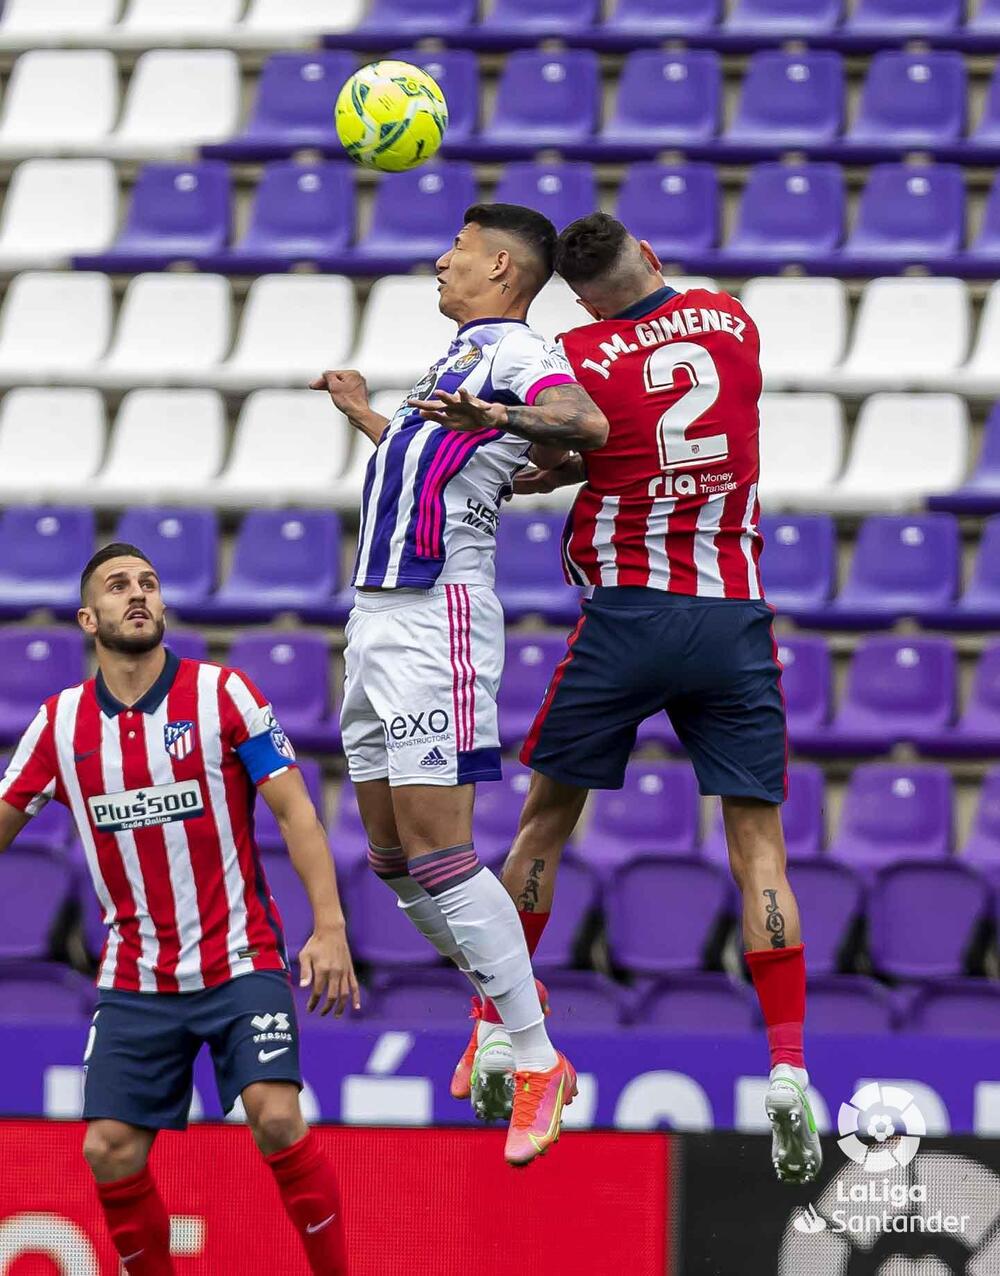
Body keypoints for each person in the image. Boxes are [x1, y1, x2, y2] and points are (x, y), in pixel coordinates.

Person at [428, 212, 822, 1186]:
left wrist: (526, 465)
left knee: (542, 828)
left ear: (574, 294)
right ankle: (786, 1067)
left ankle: (493, 1032)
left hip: (629, 612)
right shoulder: (732, 321)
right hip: (731, 614)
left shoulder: (577, 357)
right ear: (645, 255)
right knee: (758, 847)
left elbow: (579, 450)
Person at [310, 202, 608, 1167]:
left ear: (501, 270)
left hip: (438, 616)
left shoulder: (515, 354)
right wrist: (369, 418)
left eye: (458, 252)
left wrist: (499, 415)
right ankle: (510, 988)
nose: (440, 262)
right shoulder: (456, 360)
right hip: (377, 615)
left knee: (442, 855)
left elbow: (585, 422)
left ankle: (535, 1055)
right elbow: (431, 469)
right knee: (392, 859)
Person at [0, 543, 359, 1274]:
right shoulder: (60, 725)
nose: (138, 595)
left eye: (149, 584)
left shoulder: (223, 695)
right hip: (137, 978)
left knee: (276, 1112)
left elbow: (296, 814)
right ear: (87, 618)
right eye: (118, 586)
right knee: (108, 1148)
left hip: (240, 960)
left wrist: (329, 927)